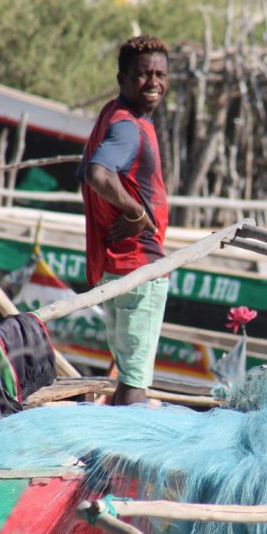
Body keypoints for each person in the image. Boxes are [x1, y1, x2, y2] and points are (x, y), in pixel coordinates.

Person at [77, 35, 170, 405]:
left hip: (114, 266)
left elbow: (83, 171)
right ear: (122, 79)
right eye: (143, 74)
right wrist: (136, 213)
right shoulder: (128, 125)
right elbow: (98, 173)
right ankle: (130, 462)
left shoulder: (112, 115)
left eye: (160, 75)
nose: (153, 83)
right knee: (135, 381)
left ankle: (112, 458)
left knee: (125, 374)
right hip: (138, 267)